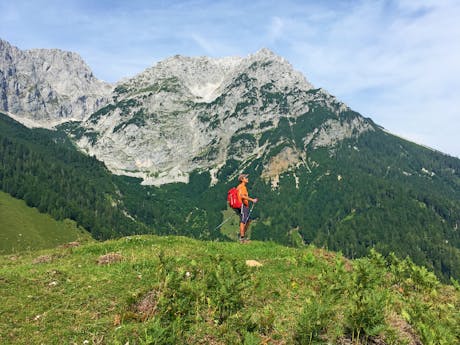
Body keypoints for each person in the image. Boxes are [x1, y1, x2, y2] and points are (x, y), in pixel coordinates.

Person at [235, 173, 258, 243]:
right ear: (242, 179)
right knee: (243, 221)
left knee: (248, 221)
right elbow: (242, 196)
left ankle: (242, 236)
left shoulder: (241, 187)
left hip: (244, 206)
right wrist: (252, 200)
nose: (247, 179)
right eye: (246, 178)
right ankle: (242, 238)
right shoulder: (241, 187)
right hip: (243, 206)